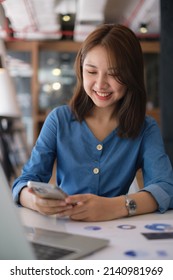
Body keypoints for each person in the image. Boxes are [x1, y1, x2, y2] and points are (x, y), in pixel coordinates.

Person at [12, 24, 173, 222]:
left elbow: (166, 188)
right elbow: (24, 182)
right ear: (81, 70)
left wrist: (114, 207)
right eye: (91, 71)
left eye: (114, 73)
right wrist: (34, 201)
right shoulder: (59, 120)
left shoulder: (145, 128)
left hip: (121, 231)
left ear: (131, 75)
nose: (100, 84)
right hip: (66, 228)